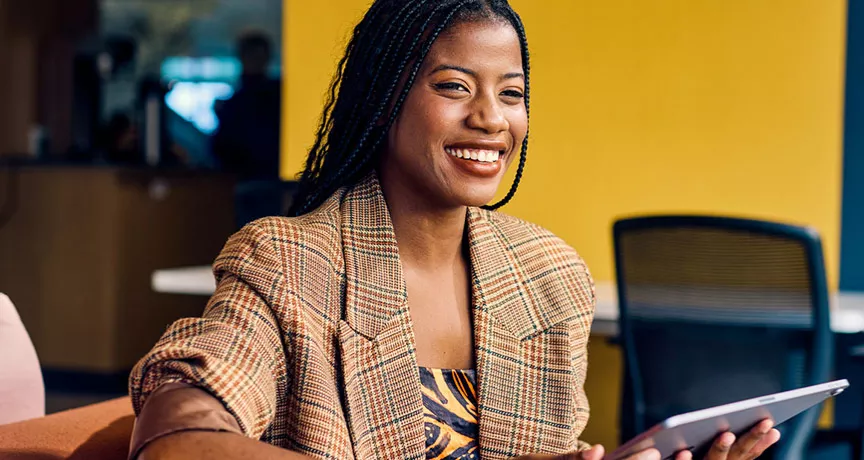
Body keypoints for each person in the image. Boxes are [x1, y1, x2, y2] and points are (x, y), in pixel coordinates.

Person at [128, 1, 781, 459]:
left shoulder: (548, 274)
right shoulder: (286, 261)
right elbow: (178, 444)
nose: (491, 119)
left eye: (511, 93)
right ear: (386, 100)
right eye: (454, 86)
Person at [212, 31, 284, 227]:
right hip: (273, 180)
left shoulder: (237, 102)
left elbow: (221, 147)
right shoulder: (280, 95)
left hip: (253, 181)